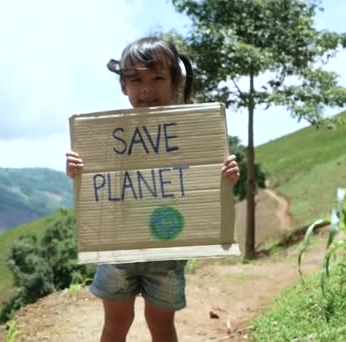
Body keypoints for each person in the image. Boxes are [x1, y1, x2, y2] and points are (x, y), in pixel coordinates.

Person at [65, 36, 240, 342]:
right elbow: (98, 184)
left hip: (168, 251)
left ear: (175, 81)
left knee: (161, 324)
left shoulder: (192, 132)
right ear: (124, 86)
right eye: (136, 80)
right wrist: (79, 171)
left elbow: (202, 182)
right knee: (116, 323)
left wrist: (225, 176)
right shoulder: (109, 135)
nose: (146, 88)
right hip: (118, 248)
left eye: (157, 78)